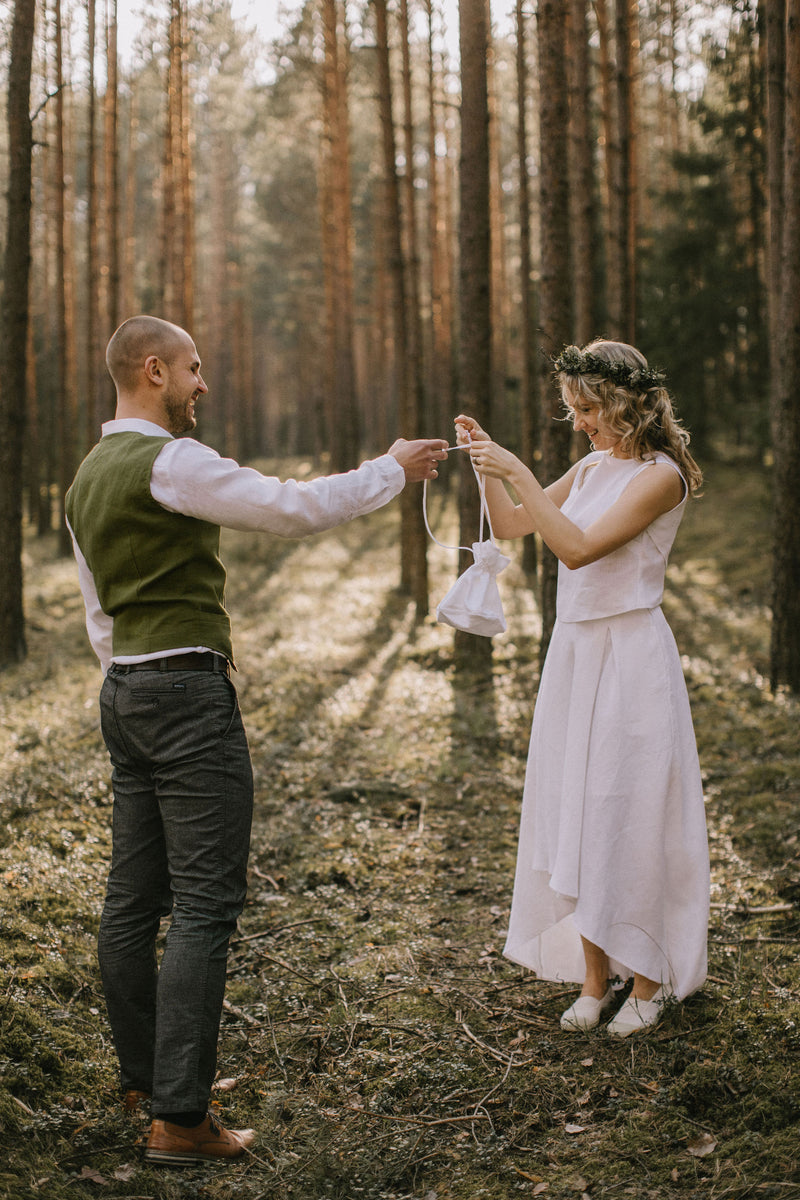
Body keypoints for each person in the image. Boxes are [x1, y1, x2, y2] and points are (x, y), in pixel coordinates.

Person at [66, 315, 449, 1164]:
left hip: (124, 688)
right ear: (154, 370)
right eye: (195, 370)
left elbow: (100, 612)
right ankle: (179, 1117)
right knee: (204, 905)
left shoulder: (86, 476)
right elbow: (290, 508)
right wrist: (390, 469)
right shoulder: (170, 460)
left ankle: (152, 1078)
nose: (204, 385)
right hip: (183, 694)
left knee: (132, 903)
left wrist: (131, 683)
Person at [455, 339, 709, 1038]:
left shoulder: (661, 477)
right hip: (575, 657)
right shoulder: (592, 466)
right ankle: (595, 982)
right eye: (573, 410)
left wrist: (519, 471)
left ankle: (650, 981)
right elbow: (514, 525)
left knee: (628, 812)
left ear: (627, 403)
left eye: (589, 409)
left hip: (631, 659)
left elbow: (576, 546)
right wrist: (488, 465)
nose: (581, 423)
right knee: (578, 809)